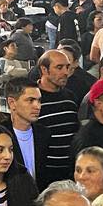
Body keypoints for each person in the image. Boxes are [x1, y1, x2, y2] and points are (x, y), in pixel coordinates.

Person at [2, 77, 58, 189]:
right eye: (30, 100)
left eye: (39, 100)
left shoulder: (44, 134)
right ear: (12, 103)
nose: (37, 106)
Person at [34, 50, 80, 183]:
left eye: (67, 67)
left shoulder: (71, 97)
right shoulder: (33, 98)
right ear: (44, 69)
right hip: (44, 175)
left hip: (70, 173)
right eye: (59, 67)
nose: (66, 72)